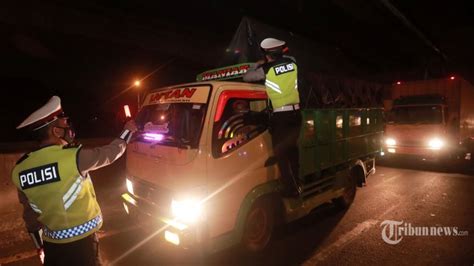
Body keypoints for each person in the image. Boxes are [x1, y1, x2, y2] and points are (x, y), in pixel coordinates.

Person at [11, 96, 137, 265]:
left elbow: (30, 215)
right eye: (64, 124)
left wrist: (40, 246)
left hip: (52, 246)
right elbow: (111, 153)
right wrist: (127, 131)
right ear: (56, 131)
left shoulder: (20, 169)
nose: (68, 128)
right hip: (83, 245)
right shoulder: (73, 157)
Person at [243, 37, 302, 197]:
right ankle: (297, 182)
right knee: (292, 150)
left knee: (280, 153)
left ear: (267, 54)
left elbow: (247, 77)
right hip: (296, 114)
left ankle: (290, 190)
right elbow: (288, 58)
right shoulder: (293, 63)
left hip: (281, 116)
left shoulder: (267, 69)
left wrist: (257, 64)